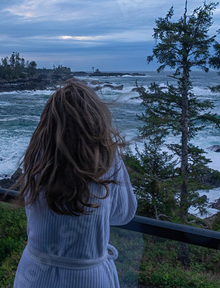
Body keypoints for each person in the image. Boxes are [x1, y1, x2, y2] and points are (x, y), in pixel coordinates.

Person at [13, 79, 137, 288]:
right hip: (87, 277)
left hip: (33, 272)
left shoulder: (36, 157)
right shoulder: (107, 160)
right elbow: (124, 214)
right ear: (96, 120)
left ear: (47, 121)